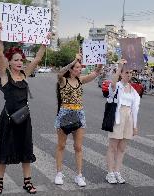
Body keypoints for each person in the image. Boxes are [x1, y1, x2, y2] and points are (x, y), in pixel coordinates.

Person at [0, 21, 50, 194]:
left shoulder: (24, 75)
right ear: (9, 63)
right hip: (8, 119)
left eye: (21, 60)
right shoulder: (4, 76)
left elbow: (38, 58)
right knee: (4, 149)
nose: (19, 62)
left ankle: (27, 182)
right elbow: (0, 54)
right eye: (16, 60)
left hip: (24, 118)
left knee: (26, 149)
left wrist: (44, 42)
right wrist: (0, 35)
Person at [54, 54, 102, 187]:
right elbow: (60, 73)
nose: (79, 69)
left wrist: (100, 63)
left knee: (78, 147)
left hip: (79, 114)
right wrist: (74, 60)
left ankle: (79, 175)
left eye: (80, 67)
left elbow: (96, 73)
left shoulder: (81, 80)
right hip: (65, 113)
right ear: (71, 69)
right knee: (61, 145)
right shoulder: (63, 80)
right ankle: (59, 173)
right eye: (77, 67)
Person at [105, 60, 140, 184]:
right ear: (121, 74)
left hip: (128, 118)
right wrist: (119, 67)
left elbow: (135, 108)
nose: (129, 75)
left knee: (122, 148)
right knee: (113, 146)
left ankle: (117, 171)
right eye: (126, 72)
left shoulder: (133, 90)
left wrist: (135, 125)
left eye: (130, 73)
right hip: (118, 116)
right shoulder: (117, 86)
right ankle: (109, 173)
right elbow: (112, 84)